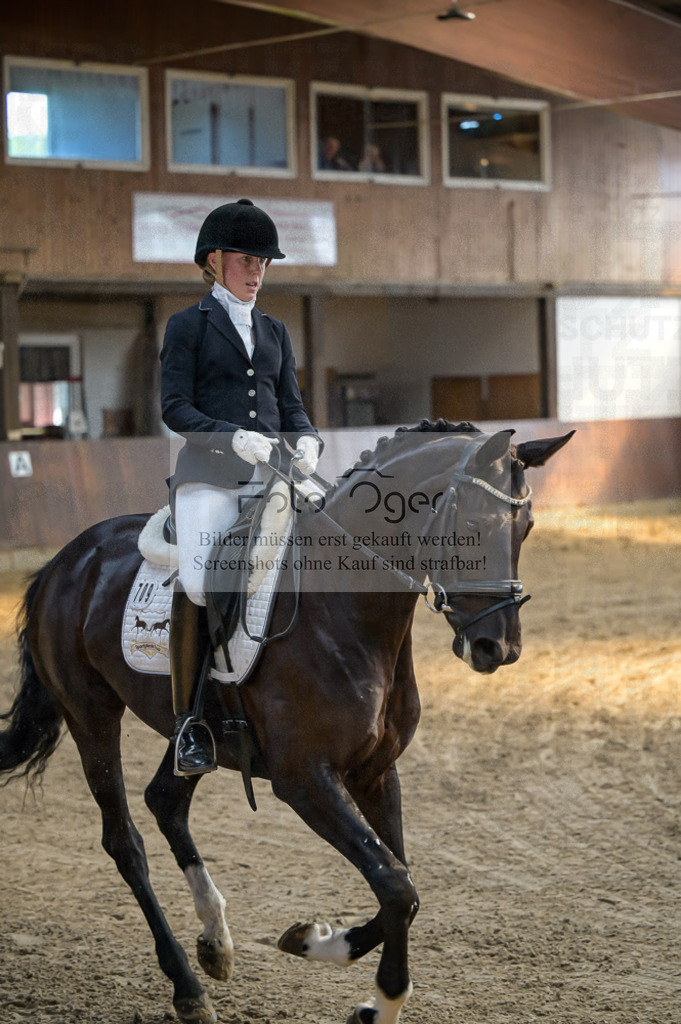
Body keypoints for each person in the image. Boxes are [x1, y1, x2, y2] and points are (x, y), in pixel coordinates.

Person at [160, 198, 321, 775]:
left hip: (275, 475)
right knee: (201, 578)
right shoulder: (187, 326)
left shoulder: (275, 331)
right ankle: (190, 723)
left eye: (263, 262)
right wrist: (231, 437)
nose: (257, 271)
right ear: (214, 260)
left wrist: (307, 441)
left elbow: (293, 408)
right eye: (246, 260)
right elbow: (174, 408)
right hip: (210, 477)